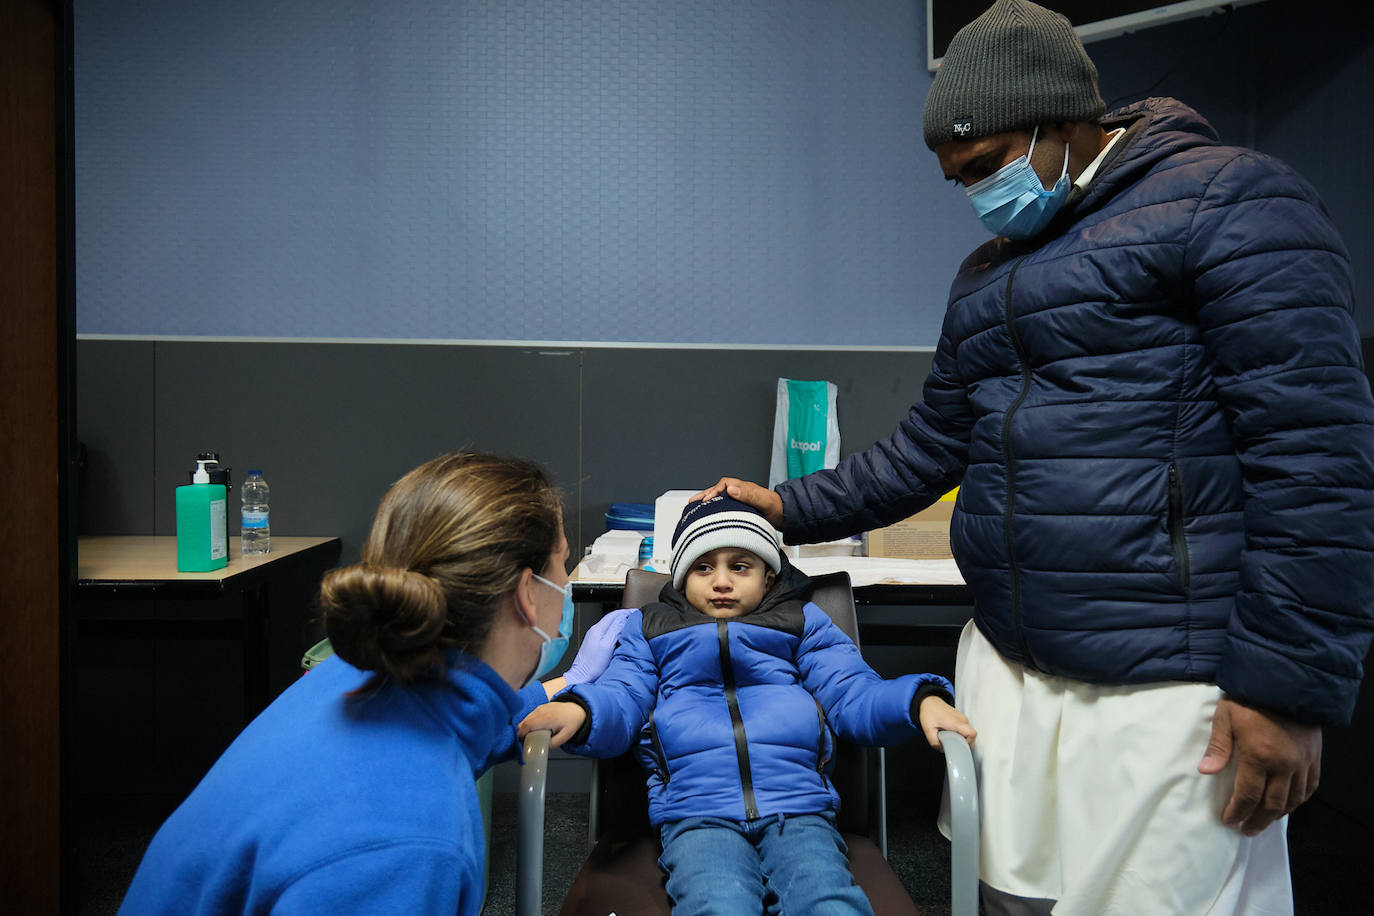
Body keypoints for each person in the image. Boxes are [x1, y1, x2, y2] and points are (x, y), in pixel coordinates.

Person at [695, 2, 1374, 913]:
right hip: (1017, 667)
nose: (975, 194)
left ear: (1062, 126)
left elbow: (1316, 457)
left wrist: (1289, 690)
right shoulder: (990, 272)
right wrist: (784, 507)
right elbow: (930, 446)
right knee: (1011, 898)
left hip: (1170, 686)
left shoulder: (1233, 202)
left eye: (984, 167)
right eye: (957, 179)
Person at [118, 452, 626, 916]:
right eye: (563, 560)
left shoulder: (357, 674)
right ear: (527, 594)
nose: (568, 580)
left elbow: (454, 727)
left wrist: (561, 686)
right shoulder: (408, 845)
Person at [520, 495, 976, 915]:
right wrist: (581, 710)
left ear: (768, 575)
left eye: (740, 567)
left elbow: (853, 692)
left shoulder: (802, 623)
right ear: (682, 577)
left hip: (798, 808)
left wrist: (918, 700)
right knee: (718, 904)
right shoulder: (650, 629)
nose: (721, 582)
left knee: (829, 902)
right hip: (696, 811)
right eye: (703, 568)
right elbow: (623, 695)